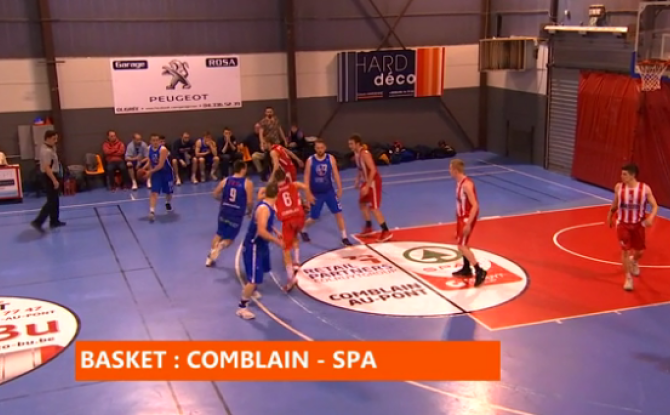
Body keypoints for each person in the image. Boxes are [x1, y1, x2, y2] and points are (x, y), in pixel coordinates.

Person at [607, 163, 658, 291]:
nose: (621, 176)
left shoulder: (644, 188)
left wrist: (651, 218)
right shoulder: (619, 187)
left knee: (639, 251)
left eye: (624, 174)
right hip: (623, 224)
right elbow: (615, 204)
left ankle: (634, 261)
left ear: (633, 175)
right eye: (621, 174)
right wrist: (610, 215)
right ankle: (628, 278)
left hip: (638, 225)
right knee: (625, 251)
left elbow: (655, 206)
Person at [237, 181, 284, 320]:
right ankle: (242, 308)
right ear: (277, 195)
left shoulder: (267, 204)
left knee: (262, 270)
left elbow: (265, 223)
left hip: (261, 245)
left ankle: (253, 290)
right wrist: (277, 241)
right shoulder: (265, 209)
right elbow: (262, 231)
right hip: (254, 246)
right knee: (253, 279)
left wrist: (276, 231)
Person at [268, 169, 314, 292]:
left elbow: (262, 196)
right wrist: (308, 199)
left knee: (286, 250)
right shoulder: (294, 184)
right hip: (299, 217)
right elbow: (305, 186)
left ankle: (290, 279)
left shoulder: (274, 191)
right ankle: (297, 262)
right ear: (285, 177)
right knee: (295, 237)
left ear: (275, 179)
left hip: (287, 220)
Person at [301, 138, 352, 246]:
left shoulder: (330, 159)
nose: (320, 150)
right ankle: (303, 229)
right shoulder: (310, 160)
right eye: (318, 148)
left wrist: (340, 188)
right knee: (314, 217)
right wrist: (308, 194)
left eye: (321, 148)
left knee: (338, 213)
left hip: (329, 192)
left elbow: (336, 174)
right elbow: (306, 177)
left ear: (325, 148)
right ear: (315, 148)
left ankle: (344, 237)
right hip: (316, 193)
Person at [206, 160, 254, 267]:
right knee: (230, 239)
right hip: (236, 214)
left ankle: (209, 259)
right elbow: (250, 202)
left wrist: (223, 201)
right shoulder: (247, 183)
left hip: (224, 211)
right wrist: (250, 211)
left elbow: (215, 194)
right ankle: (221, 246)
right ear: (242, 169)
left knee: (219, 233)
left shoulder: (226, 180)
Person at [449, 159, 487, 287]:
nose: (449, 171)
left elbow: (475, 205)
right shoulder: (459, 183)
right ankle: (466, 268)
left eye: (450, 169)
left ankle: (479, 270)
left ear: (455, 170)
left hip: (466, 218)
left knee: (461, 246)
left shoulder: (466, 185)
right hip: (461, 217)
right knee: (462, 243)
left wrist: (468, 224)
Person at [348, 134, 392, 242]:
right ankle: (368, 227)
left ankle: (386, 231)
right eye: (349, 144)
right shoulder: (356, 154)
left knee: (374, 208)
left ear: (358, 144)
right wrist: (357, 179)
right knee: (362, 203)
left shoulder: (365, 154)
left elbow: (373, 170)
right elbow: (360, 168)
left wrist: (367, 186)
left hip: (373, 182)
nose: (349, 146)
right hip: (366, 181)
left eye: (351, 144)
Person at [31, 130, 65, 233]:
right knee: (51, 201)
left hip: (54, 174)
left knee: (55, 200)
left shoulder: (51, 148)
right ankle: (38, 221)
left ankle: (54, 221)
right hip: (49, 176)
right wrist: (54, 180)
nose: (56, 141)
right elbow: (47, 167)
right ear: (48, 138)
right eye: (54, 139)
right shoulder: (46, 151)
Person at [146, 134, 175, 222]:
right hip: (156, 173)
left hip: (166, 172)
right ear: (150, 141)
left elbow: (161, 165)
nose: (155, 142)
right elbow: (150, 161)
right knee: (154, 192)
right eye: (153, 140)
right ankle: (152, 212)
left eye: (157, 140)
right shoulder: (148, 149)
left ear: (159, 141)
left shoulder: (163, 149)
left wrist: (150, 172)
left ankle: (167, 202)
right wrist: (147, 170)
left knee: (168, 192)